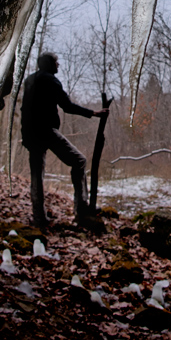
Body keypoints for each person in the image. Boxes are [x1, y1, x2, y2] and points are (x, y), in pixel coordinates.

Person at [21, 51, 108, 227]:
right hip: (46, 132)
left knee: (37, 176)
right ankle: (81, 209)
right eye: (56, 62)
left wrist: (25, 135)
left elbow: (24, 110)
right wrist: (93, 113)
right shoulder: (52, 81)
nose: (58, 65)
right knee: (79, 160)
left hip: (31, 134)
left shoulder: (29, 80)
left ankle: (39, 218)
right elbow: (67, 106)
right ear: (49, 64)